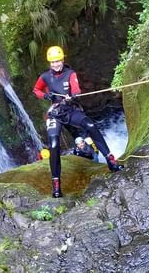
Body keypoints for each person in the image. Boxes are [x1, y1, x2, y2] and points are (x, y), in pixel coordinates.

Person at [33, 45, 123, 198]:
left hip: (70, 110)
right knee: (54, 145)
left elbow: (76, 88)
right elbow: (36, 90)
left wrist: (73, 95)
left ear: (63, 60)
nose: (56, 64)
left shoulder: (70, 73)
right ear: (50, 63)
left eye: (58, 61)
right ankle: (56, 184)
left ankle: (110, 160)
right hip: (56, 113)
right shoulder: (45, 77)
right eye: (53, 62)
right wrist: (45, 96)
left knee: (90, 125)